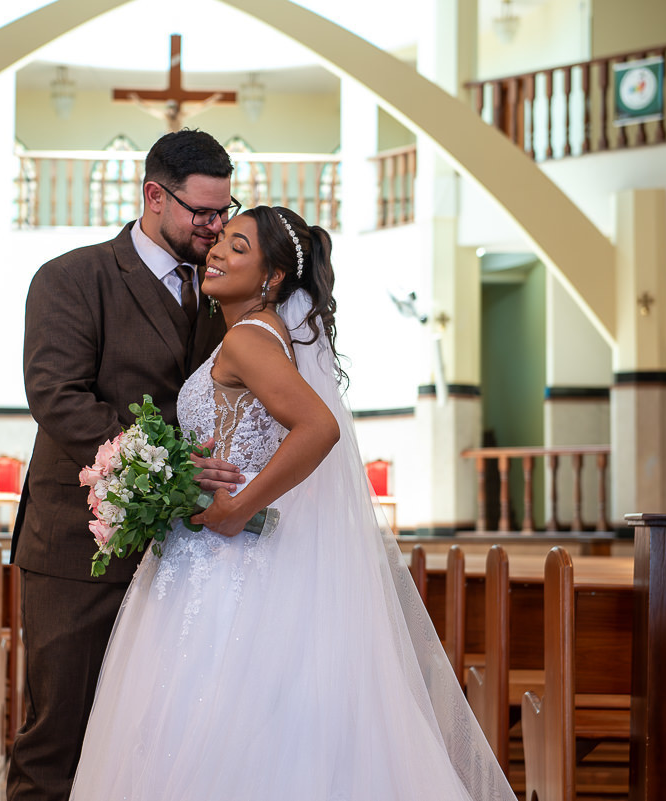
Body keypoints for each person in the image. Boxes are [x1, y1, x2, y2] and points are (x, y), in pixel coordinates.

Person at [68, 206, 514, 800]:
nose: (216, 252)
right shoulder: (264, 334)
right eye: (220, 241)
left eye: (238, 247)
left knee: (206, 725)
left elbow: (319, 428)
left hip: (224, 563)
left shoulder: (249, 338)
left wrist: (238, 507)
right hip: (227, 557)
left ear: (273, 277)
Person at [8, 129, 245, 801]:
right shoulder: (71, 278)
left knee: (158, 741)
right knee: (60, 739)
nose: (215, 227)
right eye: (202, 212)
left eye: (225, 211)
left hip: (188, 554)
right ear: (154, 196)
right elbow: (57, 396)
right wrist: (169, 466)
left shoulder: (224, 289)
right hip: (79, 545)